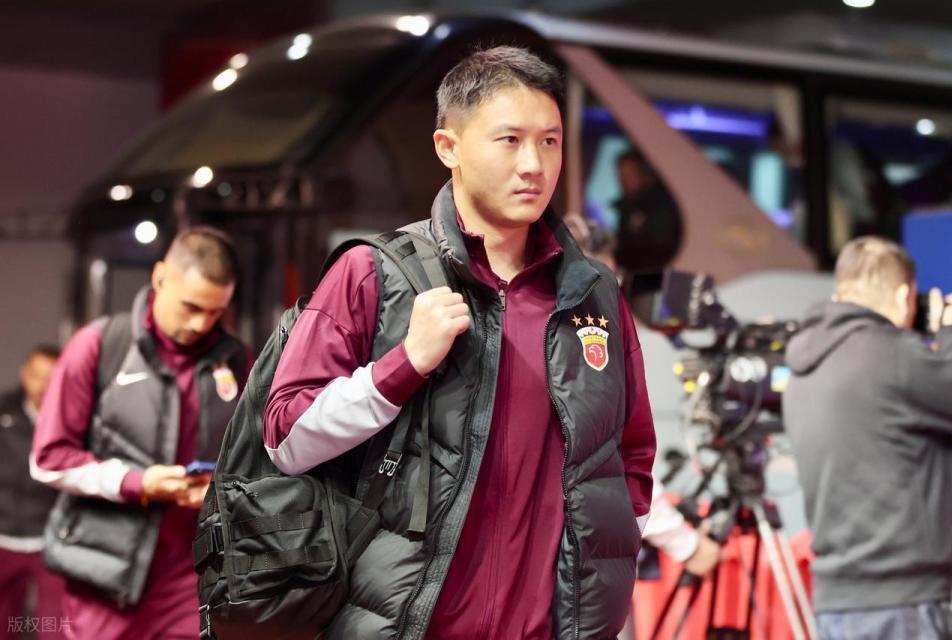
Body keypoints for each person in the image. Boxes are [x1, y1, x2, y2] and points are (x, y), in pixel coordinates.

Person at [264, 46, 657, 640]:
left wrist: (603, 569)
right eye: (510, 140)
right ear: (448, 147)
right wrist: (402, 366)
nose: (534, 165)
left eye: (550, 142)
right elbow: (286, 439)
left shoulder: (593, 293)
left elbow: (631, 453)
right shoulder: (374, 273)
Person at [31, 227, 250, 640]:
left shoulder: (238, 361)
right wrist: (138, 482)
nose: (201, 323)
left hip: (193, 580)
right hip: (106, 576)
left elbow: (254, 461)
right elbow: (49, 459)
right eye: (190, 307)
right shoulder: (99, 346)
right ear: (159, 276)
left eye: (215, 312)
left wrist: (220, 489)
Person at [783, 236, 952, 639]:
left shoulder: (803, 368)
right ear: (902, 296)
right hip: (904, 602)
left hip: (837, 600)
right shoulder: (893, 356)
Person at [563, 213, 720, 579]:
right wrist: (686, 545)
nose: (613, 289)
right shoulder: (583, 346)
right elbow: (613, 463)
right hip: (577, 568)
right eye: (604, 277)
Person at [0, 346, 66, 639]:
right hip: (4, 536)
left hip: (50, 539)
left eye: (51, 378)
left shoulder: (72, 417)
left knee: (54, 626)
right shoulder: (5, 410)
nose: (43, 385)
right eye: (37, 375)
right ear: (24, 374)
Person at [612, 149, 683, 272]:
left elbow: (660, 247)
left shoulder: (661, 207)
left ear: (645, 173)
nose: (623, 180)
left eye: (630, 174)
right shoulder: (627, 207)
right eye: (621, 175)